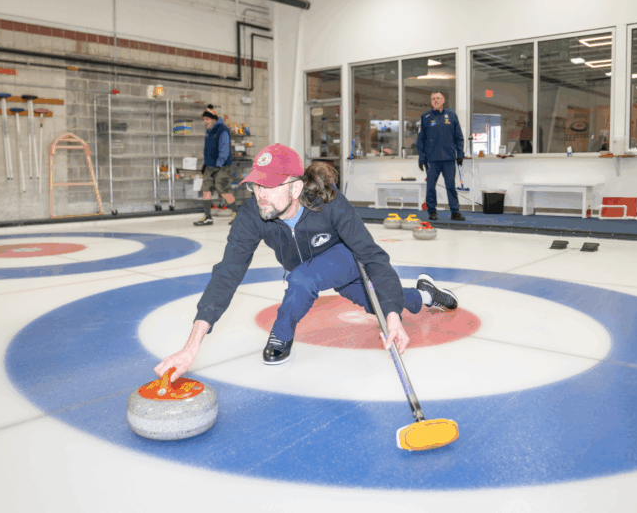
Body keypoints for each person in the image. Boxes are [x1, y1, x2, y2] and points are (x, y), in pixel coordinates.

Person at [156, 143, 459, 381]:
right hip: (305, 264)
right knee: (373, 303)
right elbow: (227, 274)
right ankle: (424, 294)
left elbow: (372, 256)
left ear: (296, 188)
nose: (260, 195)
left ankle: (281, 335)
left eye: (269, 187)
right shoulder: (253, 214)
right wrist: (191, 345)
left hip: (344, 256)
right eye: (256, 186)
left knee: (302, 280)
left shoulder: (329, 203)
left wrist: (392, 318)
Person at [417, 92, 466, 222]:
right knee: (430, 186)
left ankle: (455, 212)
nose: (435, 101)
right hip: (432, 160)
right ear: (431, 102)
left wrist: (460, 154)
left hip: (449, 158)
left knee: (450, 185)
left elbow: (459, 137)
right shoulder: (425, 117)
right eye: (433, 99)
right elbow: (421, 139)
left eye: (438, 98)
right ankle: (432, 211)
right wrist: (421, 158)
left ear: (443, 100)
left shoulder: (451, 116)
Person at [194, 111, 238, 226]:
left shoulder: (222, 130)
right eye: (204, 120)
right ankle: (207, 216)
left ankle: (237, 215)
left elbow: (224, 149)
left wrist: (219, 164)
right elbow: (208, 150)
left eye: (207, 119)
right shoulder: (209, 131)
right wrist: (206, 164)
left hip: (222, 166)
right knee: (206, 189)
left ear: (213, 119)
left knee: (223, 190)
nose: (205, 122)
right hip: (210, 166)